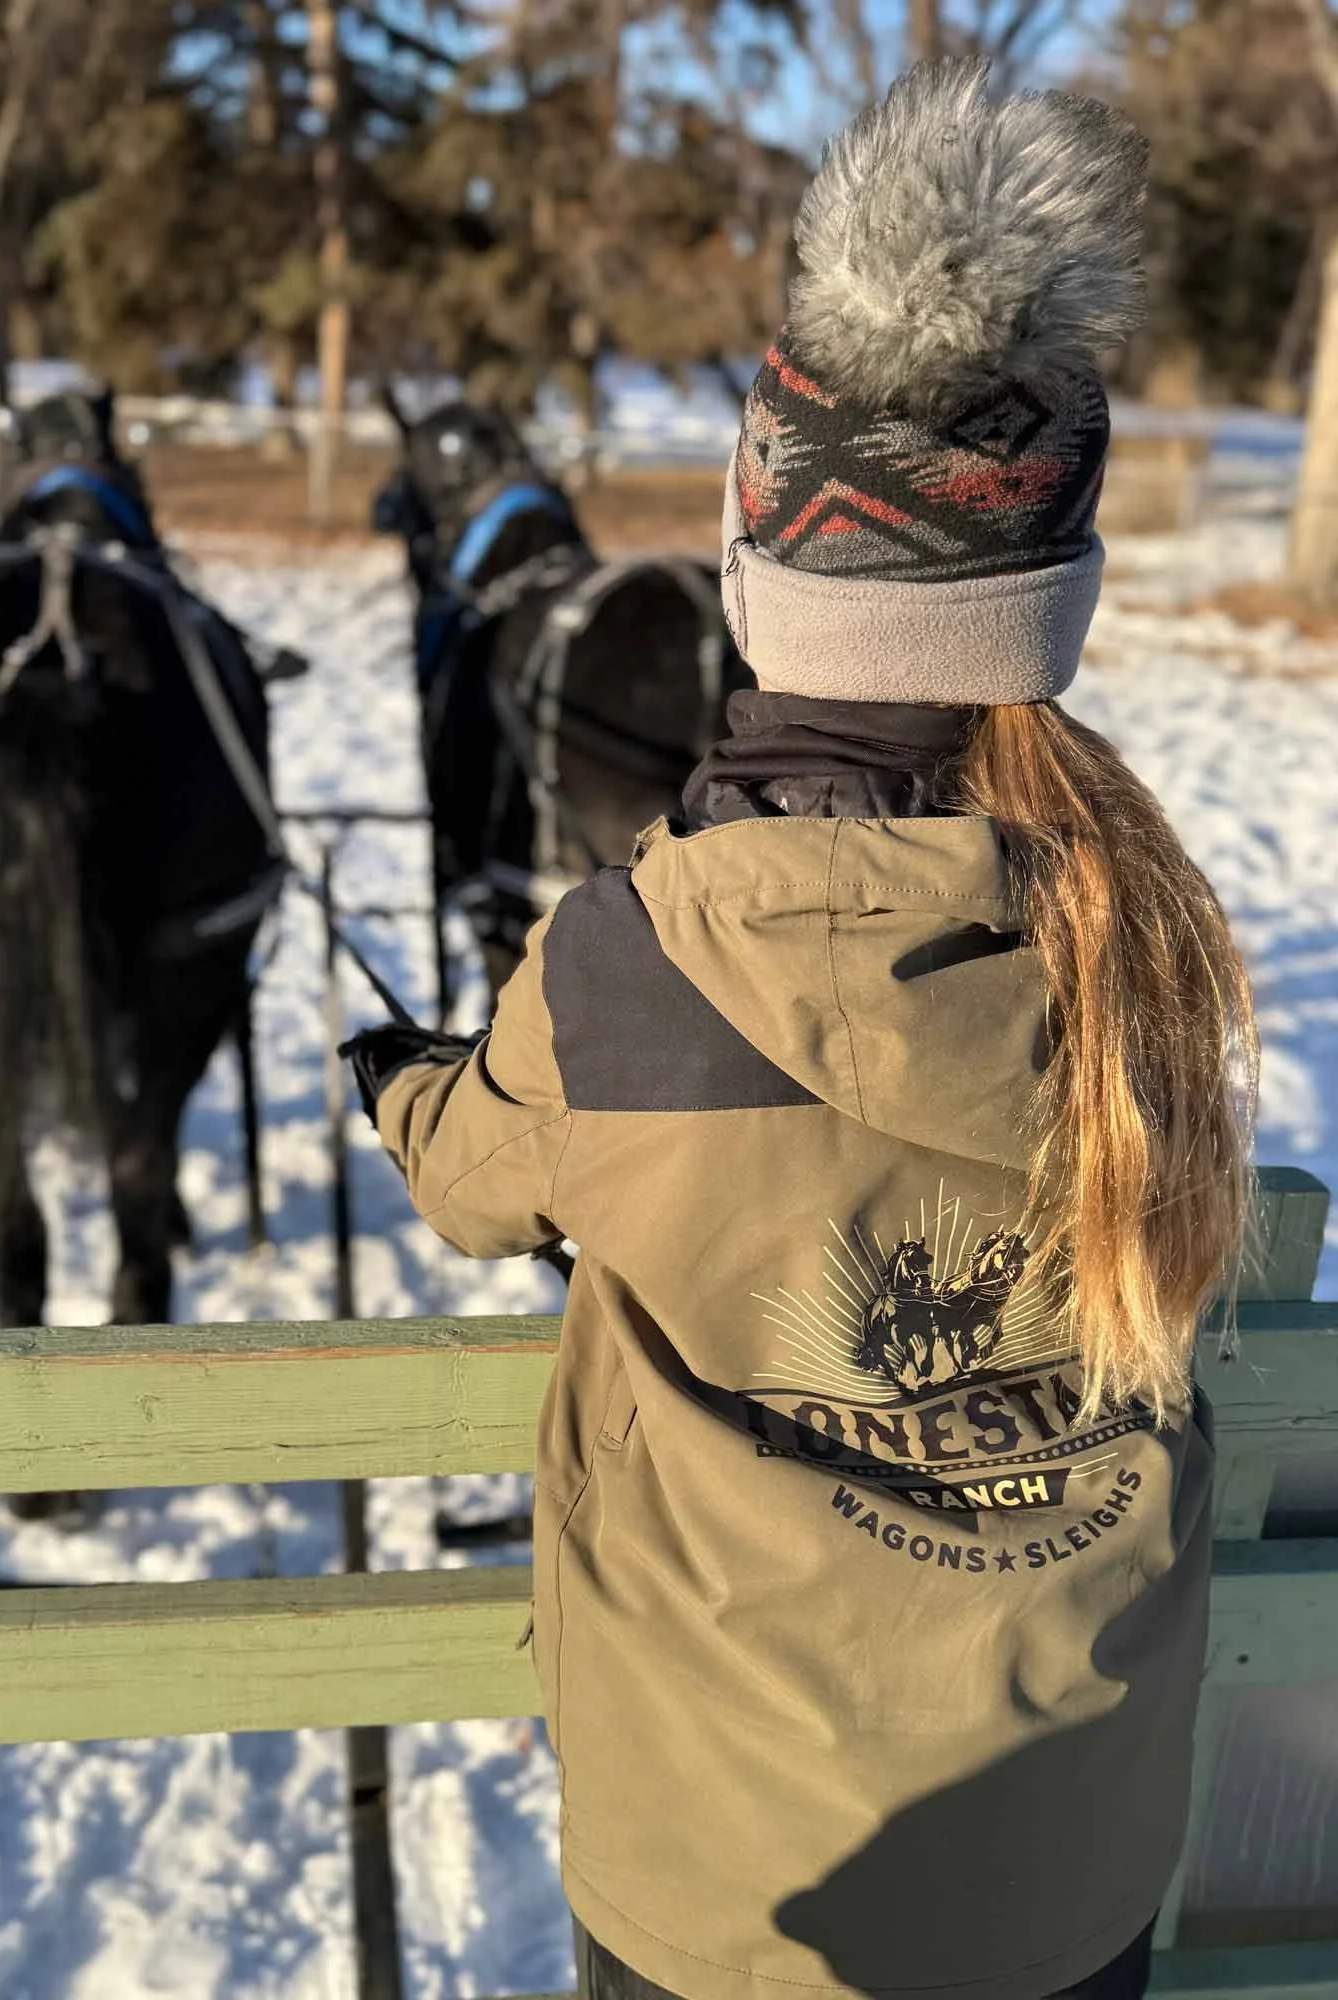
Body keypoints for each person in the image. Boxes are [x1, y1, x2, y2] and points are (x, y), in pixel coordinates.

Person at [344, 57, 1257, 2000]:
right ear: (1046, 613)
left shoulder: (629, 962)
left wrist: (396, 1080)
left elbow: (477, 1187)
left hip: (738, 1894)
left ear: (766, 578)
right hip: (1075, 1869)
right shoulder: (1153, 950)